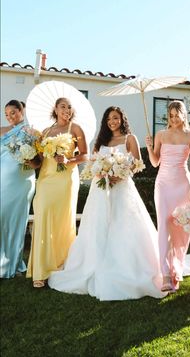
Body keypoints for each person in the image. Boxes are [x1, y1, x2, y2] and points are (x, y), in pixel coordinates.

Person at [48, 106, 167, 301]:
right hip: (100, 190)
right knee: (98, 225)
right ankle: (92, 264)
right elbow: (92, 163)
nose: (112, 121)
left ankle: (128, 266)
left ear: (122, 119)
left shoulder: (130, 138)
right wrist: (102, 173)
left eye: (116, 118)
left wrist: (119, 174)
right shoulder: (101, 141)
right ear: (105, 121)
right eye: (109, 118)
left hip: (122, 188)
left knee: (123, 225)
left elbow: (137, 165)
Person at [26, 97, 88, 288]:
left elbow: (85, 155)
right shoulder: (45, 132)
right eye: (63, 107)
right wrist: (29, 159)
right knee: (42, 215)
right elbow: (40, 160)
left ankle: (61, 264)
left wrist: (68, 161)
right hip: (45, 179)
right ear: (55, 109)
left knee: (62, 221)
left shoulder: (75, 129)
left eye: (69, 107)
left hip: (66, 180)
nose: (67, 110)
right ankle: (40, 270)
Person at [146, 100, 190, 292]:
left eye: (178, 115)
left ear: (184, 115)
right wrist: (151, 147)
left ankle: (177, 266)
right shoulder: (161, 134)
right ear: (168, 117)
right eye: (171, 116)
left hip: (183, 185)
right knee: (164, 227)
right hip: (163, 184)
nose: (174, 119)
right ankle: (166, 274)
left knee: (181, 228)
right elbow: (154, 162)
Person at [0, 100, 39, 278]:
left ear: (22, 111)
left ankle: (13, 263)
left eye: (13, 113)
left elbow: (38, 163)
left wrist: (28, 159)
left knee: (16, 221)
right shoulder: (3, 131)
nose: (10, 117)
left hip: (20, 181)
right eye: (7, 114)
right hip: (2, 180)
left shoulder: (32, 132)